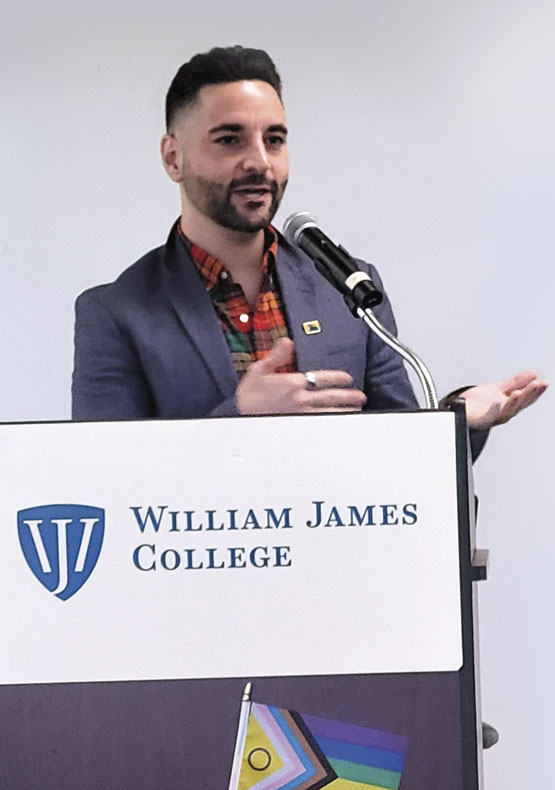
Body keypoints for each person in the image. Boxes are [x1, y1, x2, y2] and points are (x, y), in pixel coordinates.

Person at [71, 45, 546, 427]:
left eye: (274, 140)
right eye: (229, 139)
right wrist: (239, 415)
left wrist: (459, 417)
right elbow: (109, 482)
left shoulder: (349, 287)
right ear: (173, 158)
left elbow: (399, 455)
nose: (259, 162)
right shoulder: (115, 314)